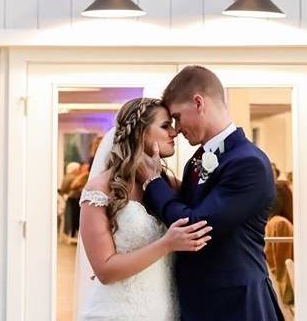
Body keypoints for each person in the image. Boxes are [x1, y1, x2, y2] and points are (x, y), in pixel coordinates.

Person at [137, 65, 284, 321]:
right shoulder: (196, 159)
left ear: (198, 102)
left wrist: (152, 181)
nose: (177, 129)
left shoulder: (248, 163)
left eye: (178, 117)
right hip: (197, 301)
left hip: (237, 304)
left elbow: (193, 226)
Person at [77, 98, 211, 320]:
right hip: (118, 312)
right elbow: (105, 271)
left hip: (167, 310)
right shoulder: (100, 190)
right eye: (165, 126)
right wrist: (167, 244)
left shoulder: (171, 186)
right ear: (140, 132)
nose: (174, 132)